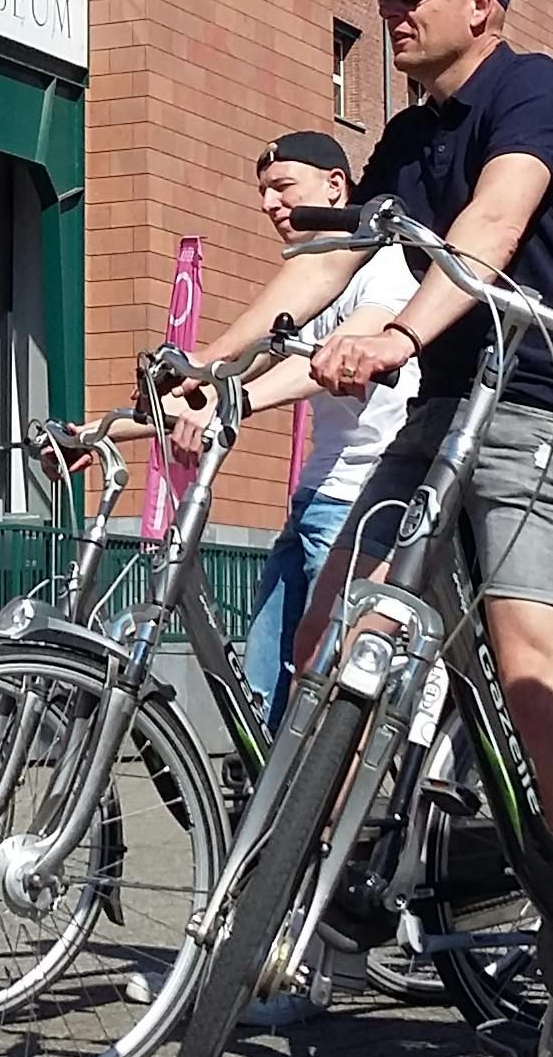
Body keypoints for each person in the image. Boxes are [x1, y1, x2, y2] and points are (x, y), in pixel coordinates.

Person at [191, 0, 553, 1057]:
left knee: (530, 665)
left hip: (547, 405)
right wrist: (215, 364)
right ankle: (333, 917)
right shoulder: (403, 134)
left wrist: (398, 335)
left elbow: (492, 231)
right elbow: (325, 262)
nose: (392, 9)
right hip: (441, 409)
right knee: (332, 644)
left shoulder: (531, 91)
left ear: (482, 4)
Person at [156, 132, 418, 730]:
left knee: (332, 680)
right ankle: (276, 810)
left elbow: (328, 359)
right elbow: (240, 363)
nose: (270, 205)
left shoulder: (383, 260)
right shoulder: (307, 280)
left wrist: (232, 402)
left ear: (335, 186)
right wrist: (96, 430)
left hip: (366, 499)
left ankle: (337, 816)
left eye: (282, 187)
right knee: (266, 675)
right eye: (262, 193)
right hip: (312, 498)